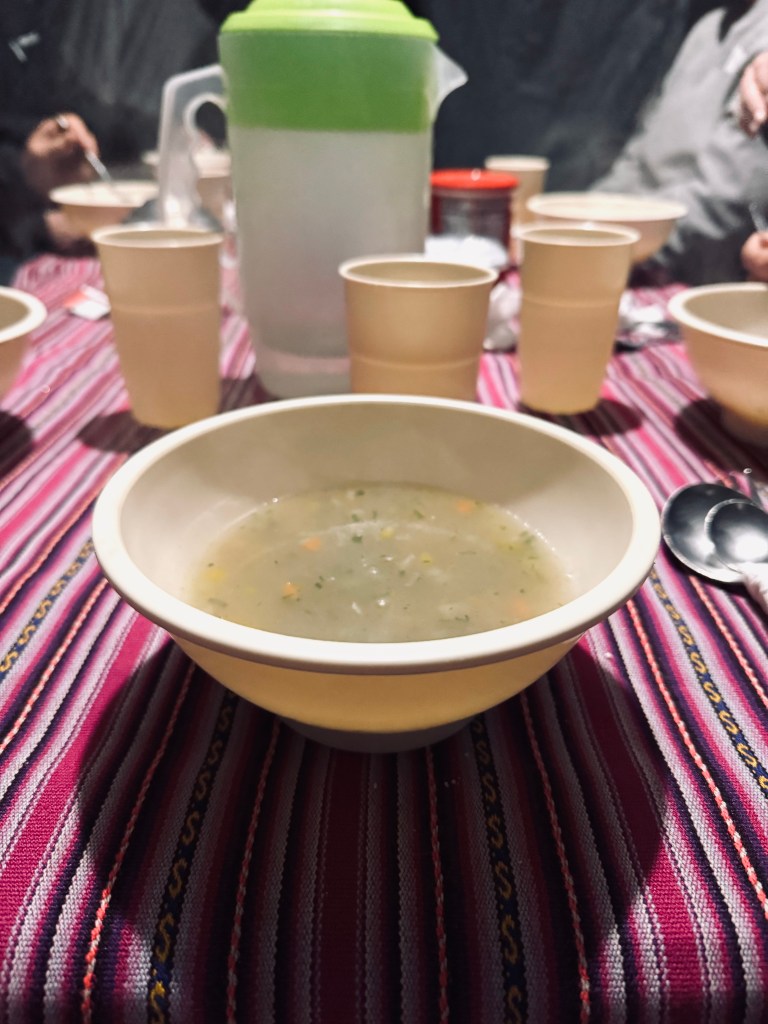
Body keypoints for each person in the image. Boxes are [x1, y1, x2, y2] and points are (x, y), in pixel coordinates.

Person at [590, 0, 768, 285]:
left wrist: (608, 240)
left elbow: (726, 203)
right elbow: (639, 158)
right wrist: (585, 215)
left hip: (689, 270)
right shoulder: (706, 28)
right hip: (637, 244)